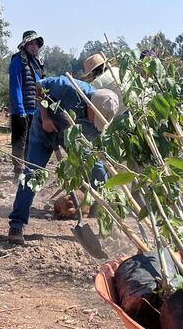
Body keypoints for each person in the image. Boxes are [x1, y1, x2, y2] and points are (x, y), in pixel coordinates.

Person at [7, 76, 119, 245]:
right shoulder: (68, 88)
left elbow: (96, 147)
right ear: (90, 105)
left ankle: (110, 224)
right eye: (93, 117)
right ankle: (17, 224)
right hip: (43, 132)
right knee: (32, 175)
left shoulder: (99, 120)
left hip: (73, 139)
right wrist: (45, 117)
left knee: (99, 173)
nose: (93, 123)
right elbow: (39, 86)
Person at [8, 30, 44, 176]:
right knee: (19, 142)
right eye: (31, 43)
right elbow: (15, 86)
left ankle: (28, 171)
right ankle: (18, 171)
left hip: (34, 110)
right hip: (21, 111)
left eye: (36, 44)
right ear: (25, 45)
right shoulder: (17, 61)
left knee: (32, 141)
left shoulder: (37, 63)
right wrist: (20, 110)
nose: (34, 47)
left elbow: (41, 87)